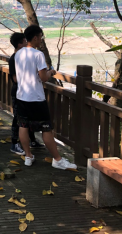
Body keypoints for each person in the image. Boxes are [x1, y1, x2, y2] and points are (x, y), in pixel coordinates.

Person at [15, 24, 76, 170]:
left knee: (23, 126)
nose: (41, 40)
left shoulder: (19, 53)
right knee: (46, 128)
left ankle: (28, 156)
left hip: (21, 96)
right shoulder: (38, 55)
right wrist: (51, 72)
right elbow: (43, 77)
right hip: (35, 98)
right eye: (40, 37)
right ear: (35, 37)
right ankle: (57, 159)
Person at [8, 32, 43, 155]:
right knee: (18, 118)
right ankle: (14, 143)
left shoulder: (23, 56)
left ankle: (32, 140)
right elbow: (15, 78)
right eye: (24, 41)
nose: (27, 43)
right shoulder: (15, 57)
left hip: (26, 92)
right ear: (19, 44)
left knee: (29, 117)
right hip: (19, 91)